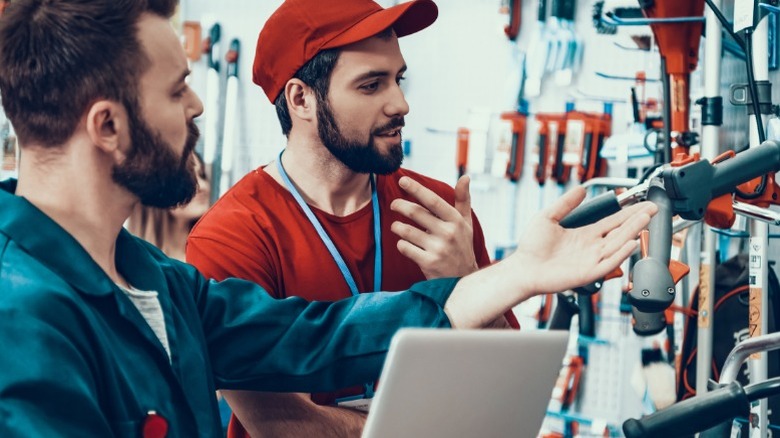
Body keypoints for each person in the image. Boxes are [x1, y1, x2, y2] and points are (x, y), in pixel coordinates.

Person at [0, 0, 655, 436]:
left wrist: (517, 274)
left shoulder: (160, 284)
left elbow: (323, 334)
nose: (198, 107)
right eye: (176, 90)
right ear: (108, 126)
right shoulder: (22, 317)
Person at [185, 1, 518, 436]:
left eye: (398, 79)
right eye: (371, 85)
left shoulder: (436, 211)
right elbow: (279, 422)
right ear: (301, 99)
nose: (401, 104)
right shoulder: (234, 235)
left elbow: (509, 385)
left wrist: (467, 278)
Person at [128, 151, 211, 262]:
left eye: (202, 175)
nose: (203, 187)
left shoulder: (212, 258)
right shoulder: (130, 263)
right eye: (188, 179)